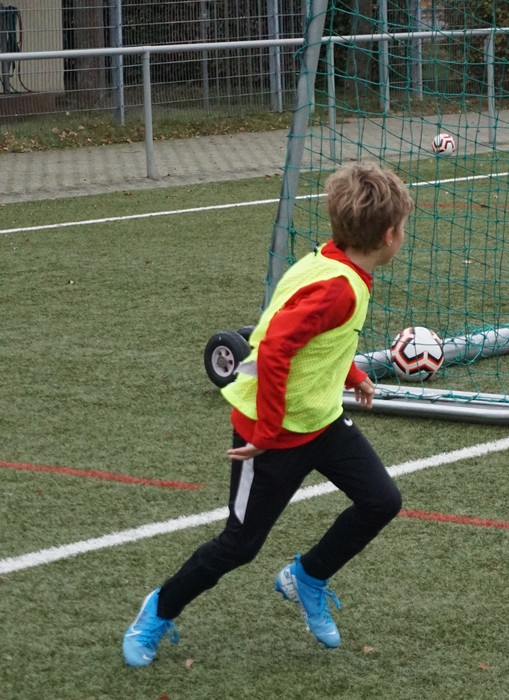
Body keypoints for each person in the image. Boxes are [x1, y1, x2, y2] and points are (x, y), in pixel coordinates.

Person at [122, 161, 414, 666]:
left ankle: (307, 577)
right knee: (238, 546)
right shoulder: (339, 287)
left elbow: (315, 341)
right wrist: (268, 429)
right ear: (389, 235)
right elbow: (276, 346)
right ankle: (159, 609)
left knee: (381, 500)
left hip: (319, 421)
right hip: (271, 433)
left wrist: (352, 376)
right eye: (403, 227)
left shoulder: (332, 262)